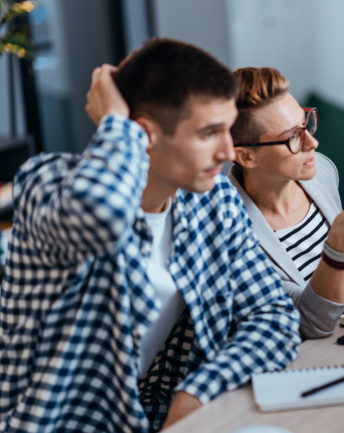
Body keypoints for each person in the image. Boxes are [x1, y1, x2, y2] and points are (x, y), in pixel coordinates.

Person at [0, 39, 301, 432]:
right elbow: (102, 214)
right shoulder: (50, 183)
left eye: (228, 130)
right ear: (142, 134)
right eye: (210, 133)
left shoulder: (216, 201)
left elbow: (274, 318)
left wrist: (196, 393)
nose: (228, 152)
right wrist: (116, 124)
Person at [227, 67, 344, 339]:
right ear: (246, 157)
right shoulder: (228, 230)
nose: (312, 142)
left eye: (306, 122)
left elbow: (319, 266)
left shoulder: (320, 172)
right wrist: (340, 236)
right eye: (292, 137)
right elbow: (312, 323)